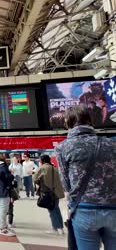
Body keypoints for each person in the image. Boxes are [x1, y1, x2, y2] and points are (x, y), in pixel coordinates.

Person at [55, 106, 116, 249]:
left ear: (67, 122)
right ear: (90, 121)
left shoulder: (63, 147)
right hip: (113, 208)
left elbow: (66, 184)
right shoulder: (112, 143)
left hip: (84, 209)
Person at [33, 154, 65, 235]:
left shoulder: (42, 167)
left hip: (47, 192)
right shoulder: (54, 168)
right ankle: (61, 228)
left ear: (42, 161)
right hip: (56, 192)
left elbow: (34, 178)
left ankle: (55, 228)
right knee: (57, 209)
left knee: (52, 211)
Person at [0, 153, 16, 237]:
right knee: (4, 209)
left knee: (3, 208)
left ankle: (4, 226)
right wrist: (11, 175)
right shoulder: (3, 166)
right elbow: (7, 177)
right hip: (4, 189)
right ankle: (3, 228)